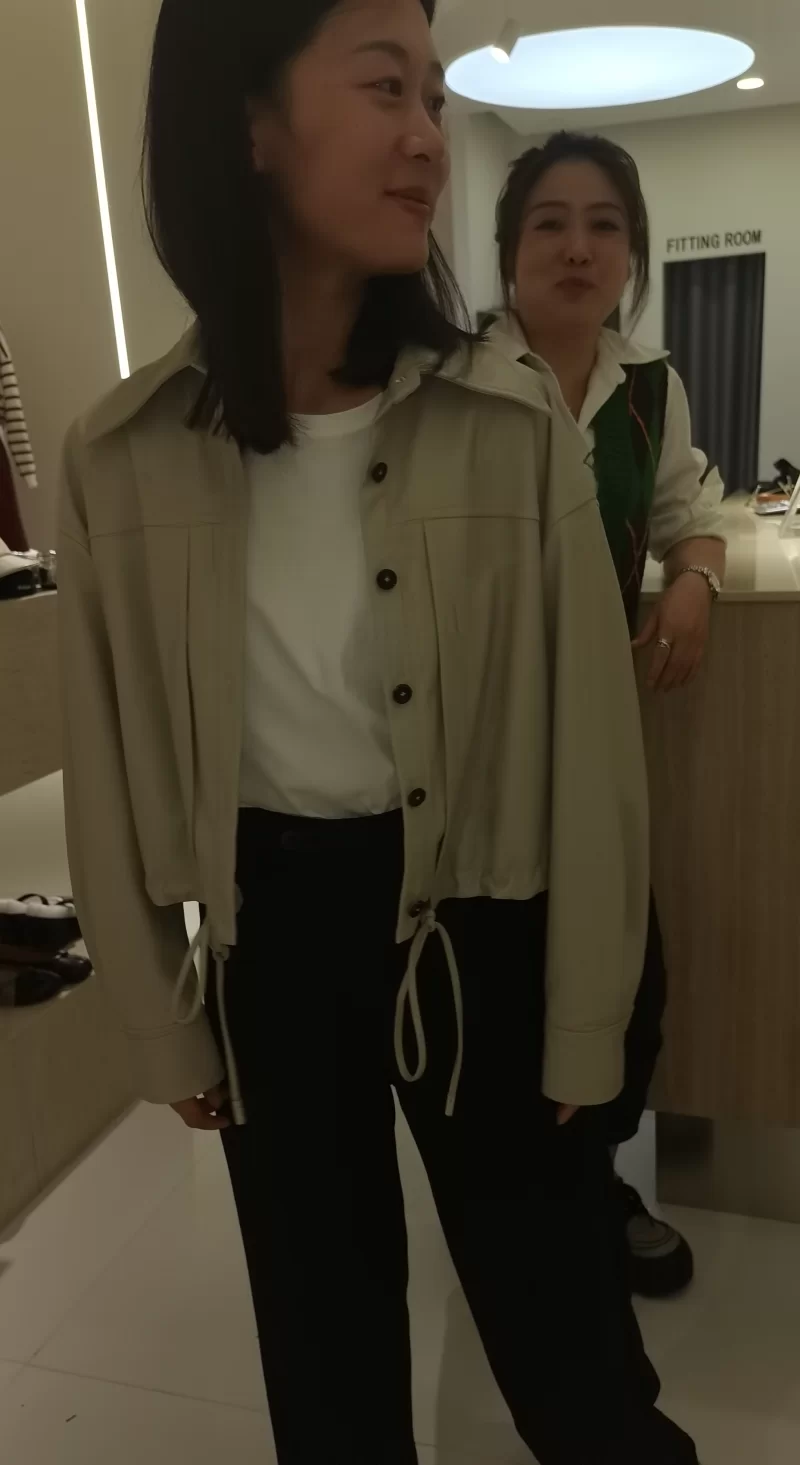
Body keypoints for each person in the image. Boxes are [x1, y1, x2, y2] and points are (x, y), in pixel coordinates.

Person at [57, 4, 698, 1462]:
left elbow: (595, 766)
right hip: (271, 942)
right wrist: (160, 1009)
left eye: (433, 97)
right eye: (384, 89)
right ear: (250, 122)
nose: (427, 139)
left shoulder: (514, 427)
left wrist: (589, 1016)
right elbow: (103, 759)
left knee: (578, 1366)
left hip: (488, 930)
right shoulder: (119, 453)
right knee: (326, 1366)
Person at [489, 130, 726, 1299]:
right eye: (549, 223)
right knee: (505, 987)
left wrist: (694, 579)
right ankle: (535, 1203)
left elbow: (688, 511)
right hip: (478, 742)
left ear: (631, 254)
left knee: (628, 989)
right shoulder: (459, 378)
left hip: (597, 741)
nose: (577, 249)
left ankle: (588, 1181)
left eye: (603, 226)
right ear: (507, 250)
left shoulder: (648, 386)